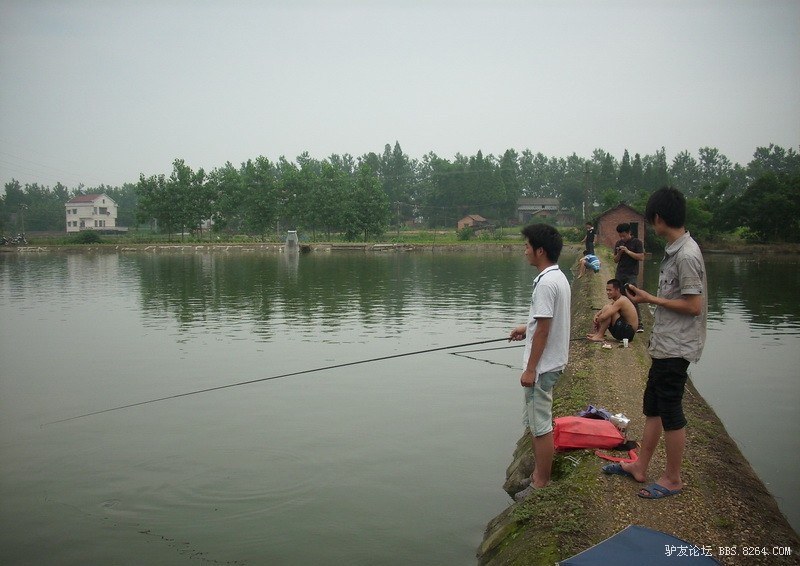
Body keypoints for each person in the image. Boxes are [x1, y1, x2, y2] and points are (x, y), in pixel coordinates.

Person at [601, 187, 707, 500]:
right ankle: (640, 466)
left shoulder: (686, 255)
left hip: (678, 346)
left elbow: (693, 305)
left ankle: (673, 478)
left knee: (671, 411)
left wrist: (650, 299)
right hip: (664, 344)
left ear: (658, 219)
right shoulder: (676, 250)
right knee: (653, 407)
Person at [508, 224, 571, 501]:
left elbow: (545, 329)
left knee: (541, 425)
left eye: (527, 246)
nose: (525, 251)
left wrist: (531, 369)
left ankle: (541, 483)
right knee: (536, 423)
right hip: (552, 362)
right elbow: (542, 323)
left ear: (540, 250)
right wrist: (527, 327)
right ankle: (537, 477)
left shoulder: (545, 283)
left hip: (543, 368)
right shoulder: (557, 277)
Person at [613, 223, 645, 332]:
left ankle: (639, 323)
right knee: (619, 297)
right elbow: (615, 260)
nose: (622, 238)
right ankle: (623, 321)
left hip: (631, 274)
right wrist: (620, 253)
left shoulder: (637, 242)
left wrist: (627, 251)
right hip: (620, 273)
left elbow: (641, 257)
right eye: (620, 236)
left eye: (623, 236)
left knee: (632, 297)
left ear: (629, 233)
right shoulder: (618, 243)